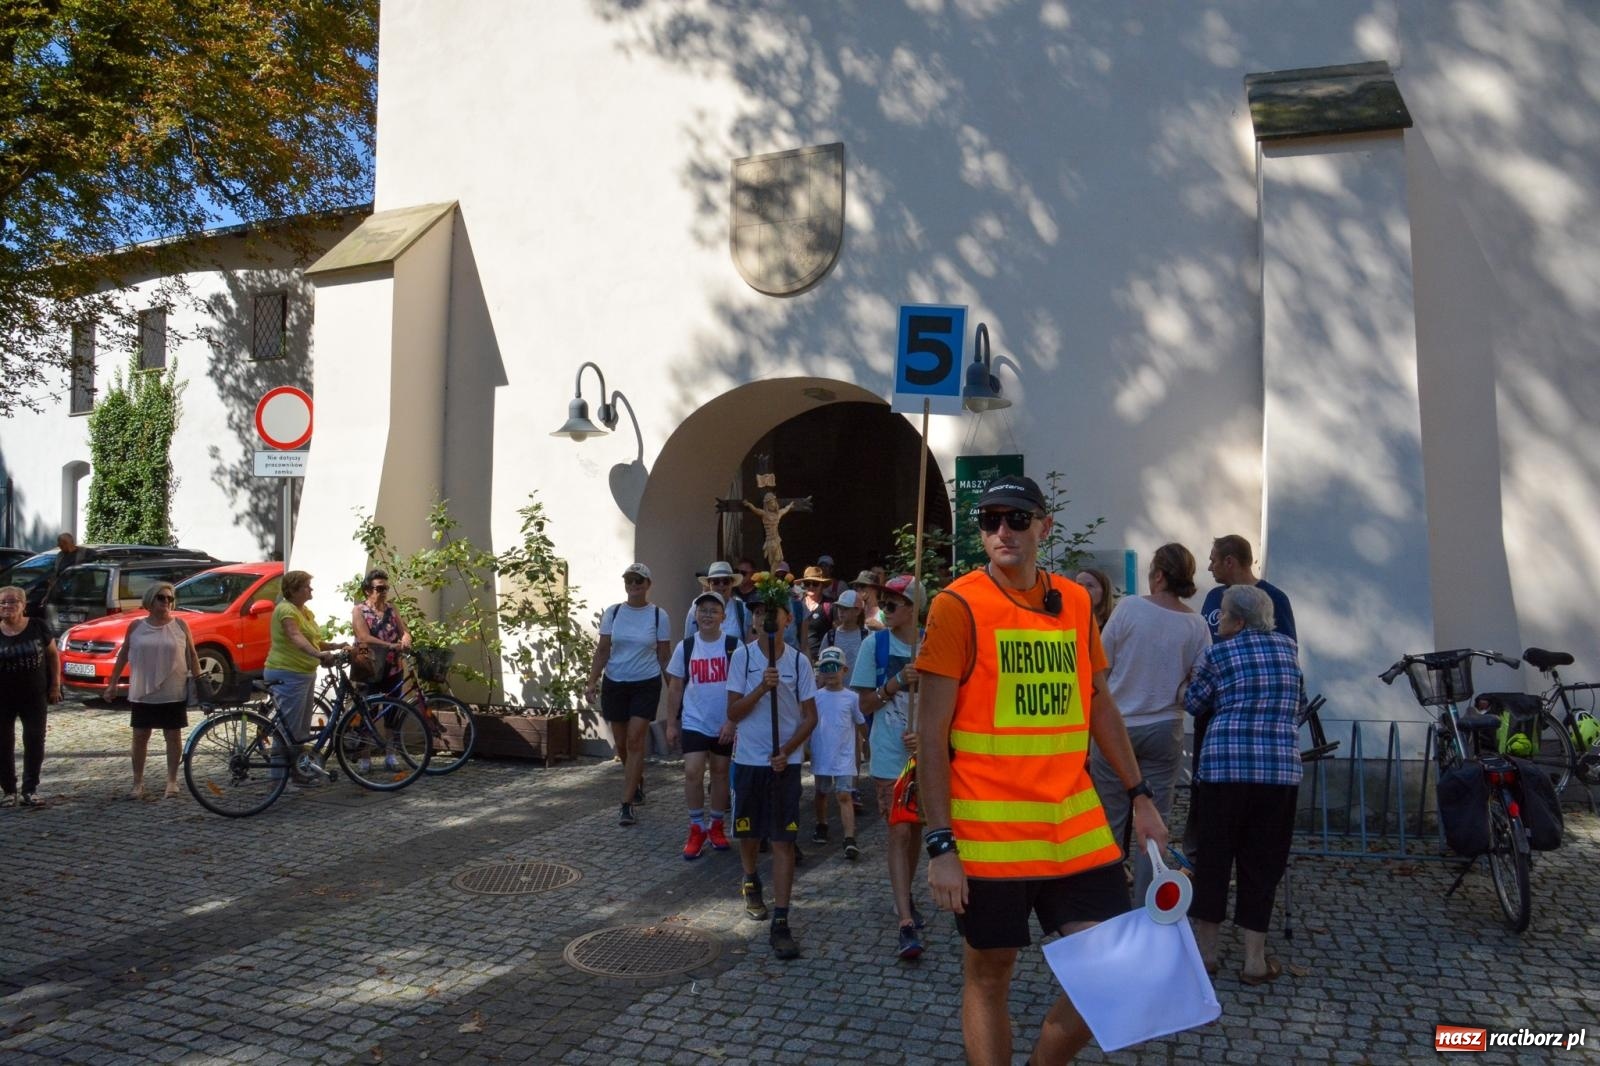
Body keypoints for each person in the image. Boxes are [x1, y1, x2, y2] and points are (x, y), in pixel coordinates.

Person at [915, 475, 1167, 1065]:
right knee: (991, 974)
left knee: (1114, 970)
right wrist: (940, 843)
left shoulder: (1075, 602)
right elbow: (930, 735)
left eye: (1017, 518)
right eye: (989, 520)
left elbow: (1099, 699)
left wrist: (1140, 795)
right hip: (988, 838)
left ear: (1043, 527)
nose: (1002, 530)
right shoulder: (958, 606)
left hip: (1072, 828)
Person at [1183, 584, 1304, 985]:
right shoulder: (1289, 651)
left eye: (1223, 618)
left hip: (1224, 770)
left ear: (1235, 620)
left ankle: (1206, 955)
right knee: (1263, 863)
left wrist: (1187, 684)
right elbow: (1297, 702)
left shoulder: (1218, 654)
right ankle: (1254, 960)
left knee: (1215, 859)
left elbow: (1195, 703)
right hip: (1278, 773)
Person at [1088, 544, 1210, 901]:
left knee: (1109, 818)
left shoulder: (1129, 608)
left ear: (1158, 575)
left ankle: (1104, 902)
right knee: (1154, 822)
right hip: (1165, 727)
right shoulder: (1196, 624)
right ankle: (1145, 905)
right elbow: (1198, 681)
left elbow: (1101, 665)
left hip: (1118, 726)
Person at [1190, 535, 1297, 856]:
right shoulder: (1213, 597)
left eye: (1212, 560)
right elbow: (1204, 644)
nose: (1208, 567)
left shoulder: (1274, 598)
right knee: (1204, 786)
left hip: (1252, 715)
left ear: (1230, 562)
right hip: (1211, 712)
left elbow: (1289, 657)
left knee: (1246, 807)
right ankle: (1198, 854)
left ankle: (1231, 857)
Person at [726, 598, 817, 960]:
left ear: (787, 619)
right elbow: (733, 712)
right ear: (753, 620)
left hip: (785, 764)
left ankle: (781, 919)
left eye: (773, 612)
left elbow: (810, 717)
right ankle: (750, 878)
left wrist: (789, 749)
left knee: (783, 839)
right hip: (749, 759)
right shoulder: (743, 658)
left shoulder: (799, 661)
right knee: (749, 832)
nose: (766, 618)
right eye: (760, 612)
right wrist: (762, 689)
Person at [850, 573, 926, 960]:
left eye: (894, 604)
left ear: (913, 608)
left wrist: (927, 737)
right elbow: (863, 705)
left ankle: (907, 893)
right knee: (897, 832)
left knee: (915, 833)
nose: (886, 609)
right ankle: (905, 921)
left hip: (926, 754)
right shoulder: (874, 645)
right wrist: (894, 683)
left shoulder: (934, 644)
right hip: (887, 753)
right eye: (884, 603)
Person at [587, 562, 671, 826]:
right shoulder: (613, 613)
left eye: (639, 581)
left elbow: (664, 655)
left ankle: (626, 803)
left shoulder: (658, 615)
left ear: (648, 585)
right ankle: (637, 779)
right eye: (630, 581)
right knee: (622, 744)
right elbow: (602, 650)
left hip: (645, 683)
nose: (634, 586)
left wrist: (676, 690)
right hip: (615, 682)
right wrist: (591, 682)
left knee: (636, 741)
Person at [104, 582, 202, 799]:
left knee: (173, 735)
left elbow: (192, 655)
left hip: (172, 689)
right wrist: (112, 683)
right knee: (140, 735)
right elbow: (123, 655)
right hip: (143, 689)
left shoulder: (181, 625)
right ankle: (138, 782)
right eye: (161, 597)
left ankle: (172, 781)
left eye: (169, 598)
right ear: (150, 601)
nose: (166, 602)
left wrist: (200, 682)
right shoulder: (136, 626)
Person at [664, 592, 738, 859]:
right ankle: (696, 826)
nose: (708, 615)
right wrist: (671, 723)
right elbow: (675, 687)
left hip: (724, 723)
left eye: (713, 611)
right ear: (695, 615)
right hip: (694, 720)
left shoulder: (733, 646)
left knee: (720, 773)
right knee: (693, 772)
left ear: (723, 617)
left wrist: (733, 721)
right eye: (703, 610)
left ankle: (716, 825)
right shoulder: (685, 647)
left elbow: (740, 687)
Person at [264, 570, 343, 781]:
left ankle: (297, 773)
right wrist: (317, 654)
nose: (311, 589)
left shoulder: (304, 611)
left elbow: (312, 639)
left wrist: (335, 646)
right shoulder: (285, 610)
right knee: (286, 728)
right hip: (287, 673)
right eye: (307, 586)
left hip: (304, 674)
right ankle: (278, 779)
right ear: (294, 589)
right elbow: (295, 636)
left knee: (299, 730)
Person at [0, 584, 58, 808]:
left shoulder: (37, 626)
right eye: (3, 602)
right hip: (3, 698)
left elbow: (53, 656)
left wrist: (55, 685)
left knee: (34, 741)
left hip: (34, 696)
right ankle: (8, 790)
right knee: (3, 743)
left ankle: (30, 790)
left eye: (13, 601)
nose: (7, 606)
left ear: (23, 605)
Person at [810, 646, 864, 858]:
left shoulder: (852, 698)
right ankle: (821, 823)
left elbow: (860, 722)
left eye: (835, 667)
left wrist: (868, 741)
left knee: (844, 794)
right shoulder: (815, 697)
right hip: (822, 752)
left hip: (844, 754)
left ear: (845, 670)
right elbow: (808, 721)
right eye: (826, 668)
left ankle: (849, 837)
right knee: (821, 792)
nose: (830, 672)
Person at [351, 568, 412, 694]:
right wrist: (390, 646)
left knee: (392, 708)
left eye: (386, 588)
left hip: (392, 666)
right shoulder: (359, 610)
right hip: (368, 663)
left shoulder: (391, 608)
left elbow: (403, 630)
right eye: (380, 588)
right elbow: (364, 638)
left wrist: (406, 638)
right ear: (368, 590)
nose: (384, 592)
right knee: (369, 709)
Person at [681, 560, 751, 643]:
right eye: (716, 582)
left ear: (732, 583)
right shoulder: (696, 609)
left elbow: (749, 646)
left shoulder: (743, 610)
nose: (721, 585)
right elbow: (688, 643)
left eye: (726, 581)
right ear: (709, 584)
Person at [794, 565, 833, 661]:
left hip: (822, 660)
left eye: (815, 583)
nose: (811, 587)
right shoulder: (797, 605)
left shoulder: (829, 605)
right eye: (807, 583)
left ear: (822, 586)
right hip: (798, 658)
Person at [1074, 567, 1116, 631]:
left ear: (1104, 591)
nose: (1083, 589)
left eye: (1090, 585)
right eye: (1079, 585)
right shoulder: (1068, 621)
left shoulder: (1115, 624)